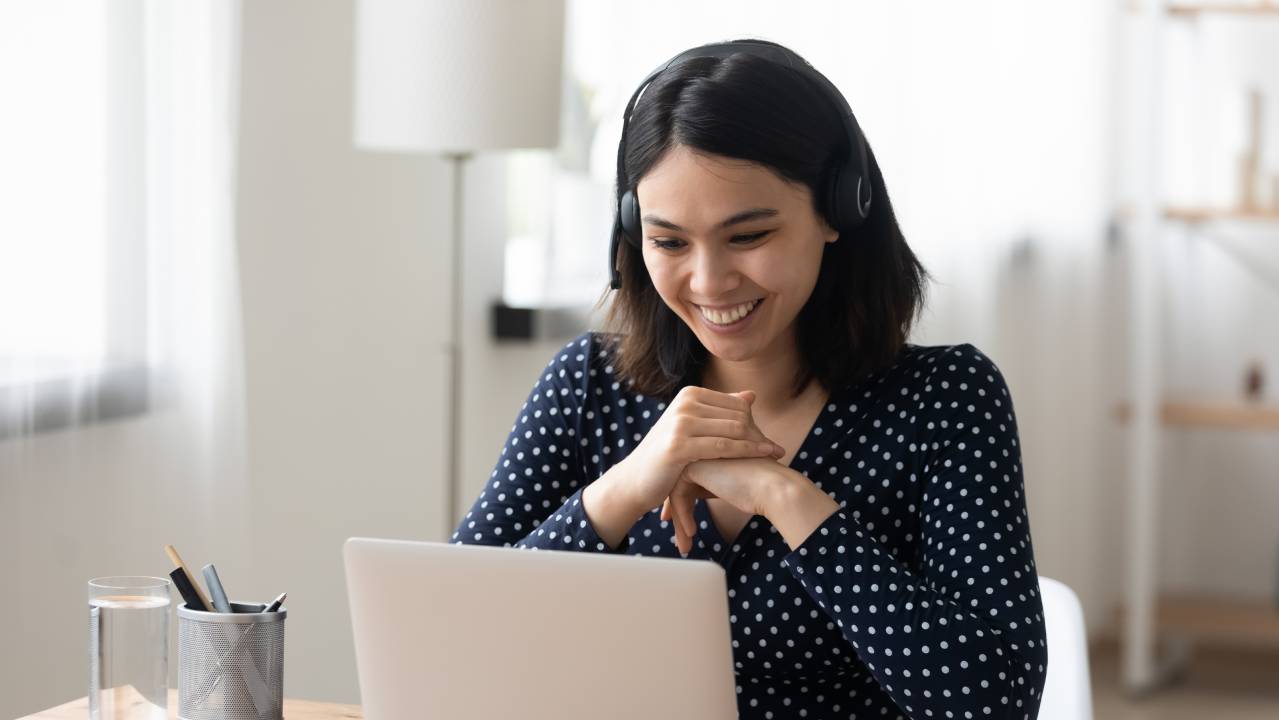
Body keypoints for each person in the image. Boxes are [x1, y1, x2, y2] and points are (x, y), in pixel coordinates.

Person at [453, 39, 1047, 720]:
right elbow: (451, 638)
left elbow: (991, 703)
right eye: (669, 242)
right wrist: (624, 487)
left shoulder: (945, 401)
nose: (708, 282)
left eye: (747, 236)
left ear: (836, 209)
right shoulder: (589, 385)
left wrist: (780, 494)